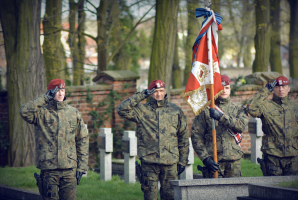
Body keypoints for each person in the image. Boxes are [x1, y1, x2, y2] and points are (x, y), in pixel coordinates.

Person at [116, 80, 189, 200]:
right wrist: (142, 95)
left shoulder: (175, 111)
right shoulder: (142, 110)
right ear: (150, 93)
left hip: (170, 163)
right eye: (155, 91)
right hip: (149, 163)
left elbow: (183, 137)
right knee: (150, 197)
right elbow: (121, 109)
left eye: (161, 91)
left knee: (170, 197)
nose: (158, 94)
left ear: (165, 91)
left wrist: (182, 161)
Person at [19, 79, 89, 200]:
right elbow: (24, 111)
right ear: (50, 92)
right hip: (49, 170)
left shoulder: (74, 113)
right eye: (57, 91)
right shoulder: (41, 113)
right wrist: (45, 98)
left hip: (69, 170)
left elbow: (82, 139)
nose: (61, 94)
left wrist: (82, 167)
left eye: (62, 90)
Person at [191, 75, 249, 178]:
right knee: (214, 193)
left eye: (227, 88)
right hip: (213, 160)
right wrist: (205, 158)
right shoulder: (205, 110)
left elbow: (241, 126)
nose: (224, 91)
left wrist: (221, 117)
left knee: (235, 191)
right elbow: (196, 136)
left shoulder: (238, 109)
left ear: (230, 89)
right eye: (221, 88)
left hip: (233, 160)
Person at [246, 76, 298, 176]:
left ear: (289, 88)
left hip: (293, 156)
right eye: (278, 86)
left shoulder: (295, 107)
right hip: (272, 155)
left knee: (291, 188)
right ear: (273, 89)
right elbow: (251, 109)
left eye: (284, 86)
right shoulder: (266, 105)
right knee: (272, 186)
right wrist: (265, 91)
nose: (281, 89)